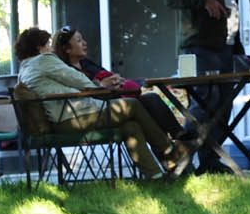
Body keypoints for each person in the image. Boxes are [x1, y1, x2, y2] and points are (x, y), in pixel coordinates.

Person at [15, 27, 190, 177]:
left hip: (61, 120)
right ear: (39, 47)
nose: (51, 48)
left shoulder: (24, 69)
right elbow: (75, 78)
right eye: (47, 44)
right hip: (74, 117)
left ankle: (156, 176)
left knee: (131, 126)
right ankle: (172, 155)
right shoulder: (43, 60)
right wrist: (97, 87)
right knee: (133, 105)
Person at [166, 0, 250, 173]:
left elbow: (233, 18)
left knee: (224, 106)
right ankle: (180, 160)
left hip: (226, 48)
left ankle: (210, 160)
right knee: (205, 102)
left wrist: (240, 53)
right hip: (200, 47)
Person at [54, 26, 196, 147]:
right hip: (98, 110)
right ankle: (174, 144)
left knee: (150, 102)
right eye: (79, 41)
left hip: (117, 99)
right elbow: (81, 92)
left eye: (83, 39)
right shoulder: (65, 71)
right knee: (149, 104)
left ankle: (175, 144)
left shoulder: (86, 63)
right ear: (67, 49)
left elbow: (107, 76)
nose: (84, 43)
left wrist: (117, 80)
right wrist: (102, 86)